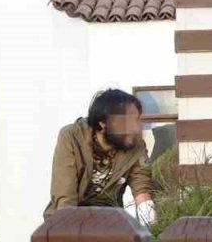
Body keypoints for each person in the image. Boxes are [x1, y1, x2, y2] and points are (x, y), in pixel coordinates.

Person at [44, 89, 155, 222]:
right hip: (69, 220)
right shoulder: (71, 137)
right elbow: (65, 196)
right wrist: (70, 235)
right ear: (103, 123)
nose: (135, 129)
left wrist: (152, 231)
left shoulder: (135, 145)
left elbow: (142, 190)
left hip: (109, 221)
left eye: (136, 120)